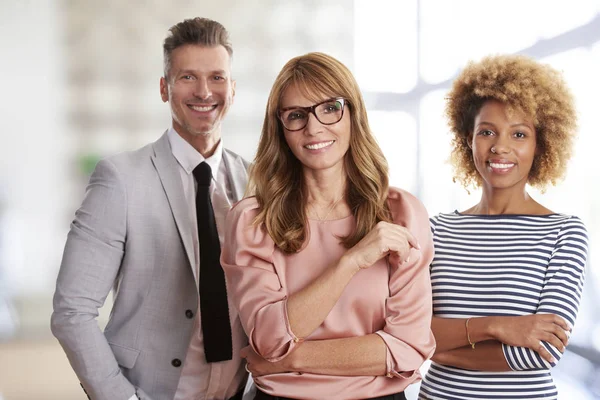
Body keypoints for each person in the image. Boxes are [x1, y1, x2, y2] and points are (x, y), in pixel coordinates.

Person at [51, 17, 250, 400]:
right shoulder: (120, 179)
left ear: (233, 88)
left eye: (217, 77)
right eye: (188, 77)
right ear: (165, 88)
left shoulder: (257, 181)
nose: (205, 92)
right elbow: (72, 311)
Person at [221, 52, 435, 400]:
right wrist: (352, 261)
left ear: (352, 113)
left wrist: (291, 359)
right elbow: (269, 338)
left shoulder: (401, 213)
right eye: (296, 115)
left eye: (330, 108)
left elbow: (409, 349)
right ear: (281, 128)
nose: (314, 127)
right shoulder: (252, 221)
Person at [418, 54, 589, 400]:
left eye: (519, 134)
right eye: (487, 132)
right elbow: (408, 332)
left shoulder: (564, 233)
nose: (500, 147)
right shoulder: (436, 230)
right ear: (469, 138)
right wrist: (496, 326)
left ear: (540, 144)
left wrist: (438, 346)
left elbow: (540, 352)